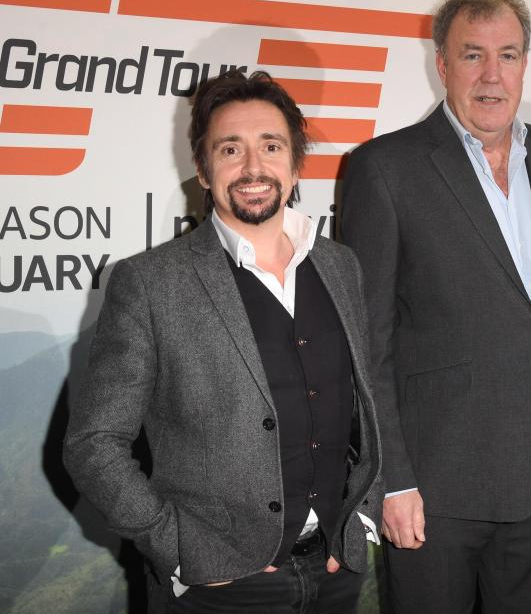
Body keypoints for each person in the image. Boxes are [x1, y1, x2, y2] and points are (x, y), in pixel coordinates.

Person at [63, 70, 382, 613]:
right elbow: (94, 442)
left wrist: (364, 514)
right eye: (230, 149)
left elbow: (365, 405)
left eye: (271, 146)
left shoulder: (340, 266)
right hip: (221, 592)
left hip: (335, 572)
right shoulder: (150, 282)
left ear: (296, 162)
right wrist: (180, 550)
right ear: (203, 170)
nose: (253, 167)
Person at [340, 0, 531, 614]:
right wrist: (393, 479)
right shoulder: (384, 169)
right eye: (473, 55)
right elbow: (366, 343)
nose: (492, 76)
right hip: (436, 492)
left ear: (524, 64)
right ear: (442, 65)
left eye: (507, 55)